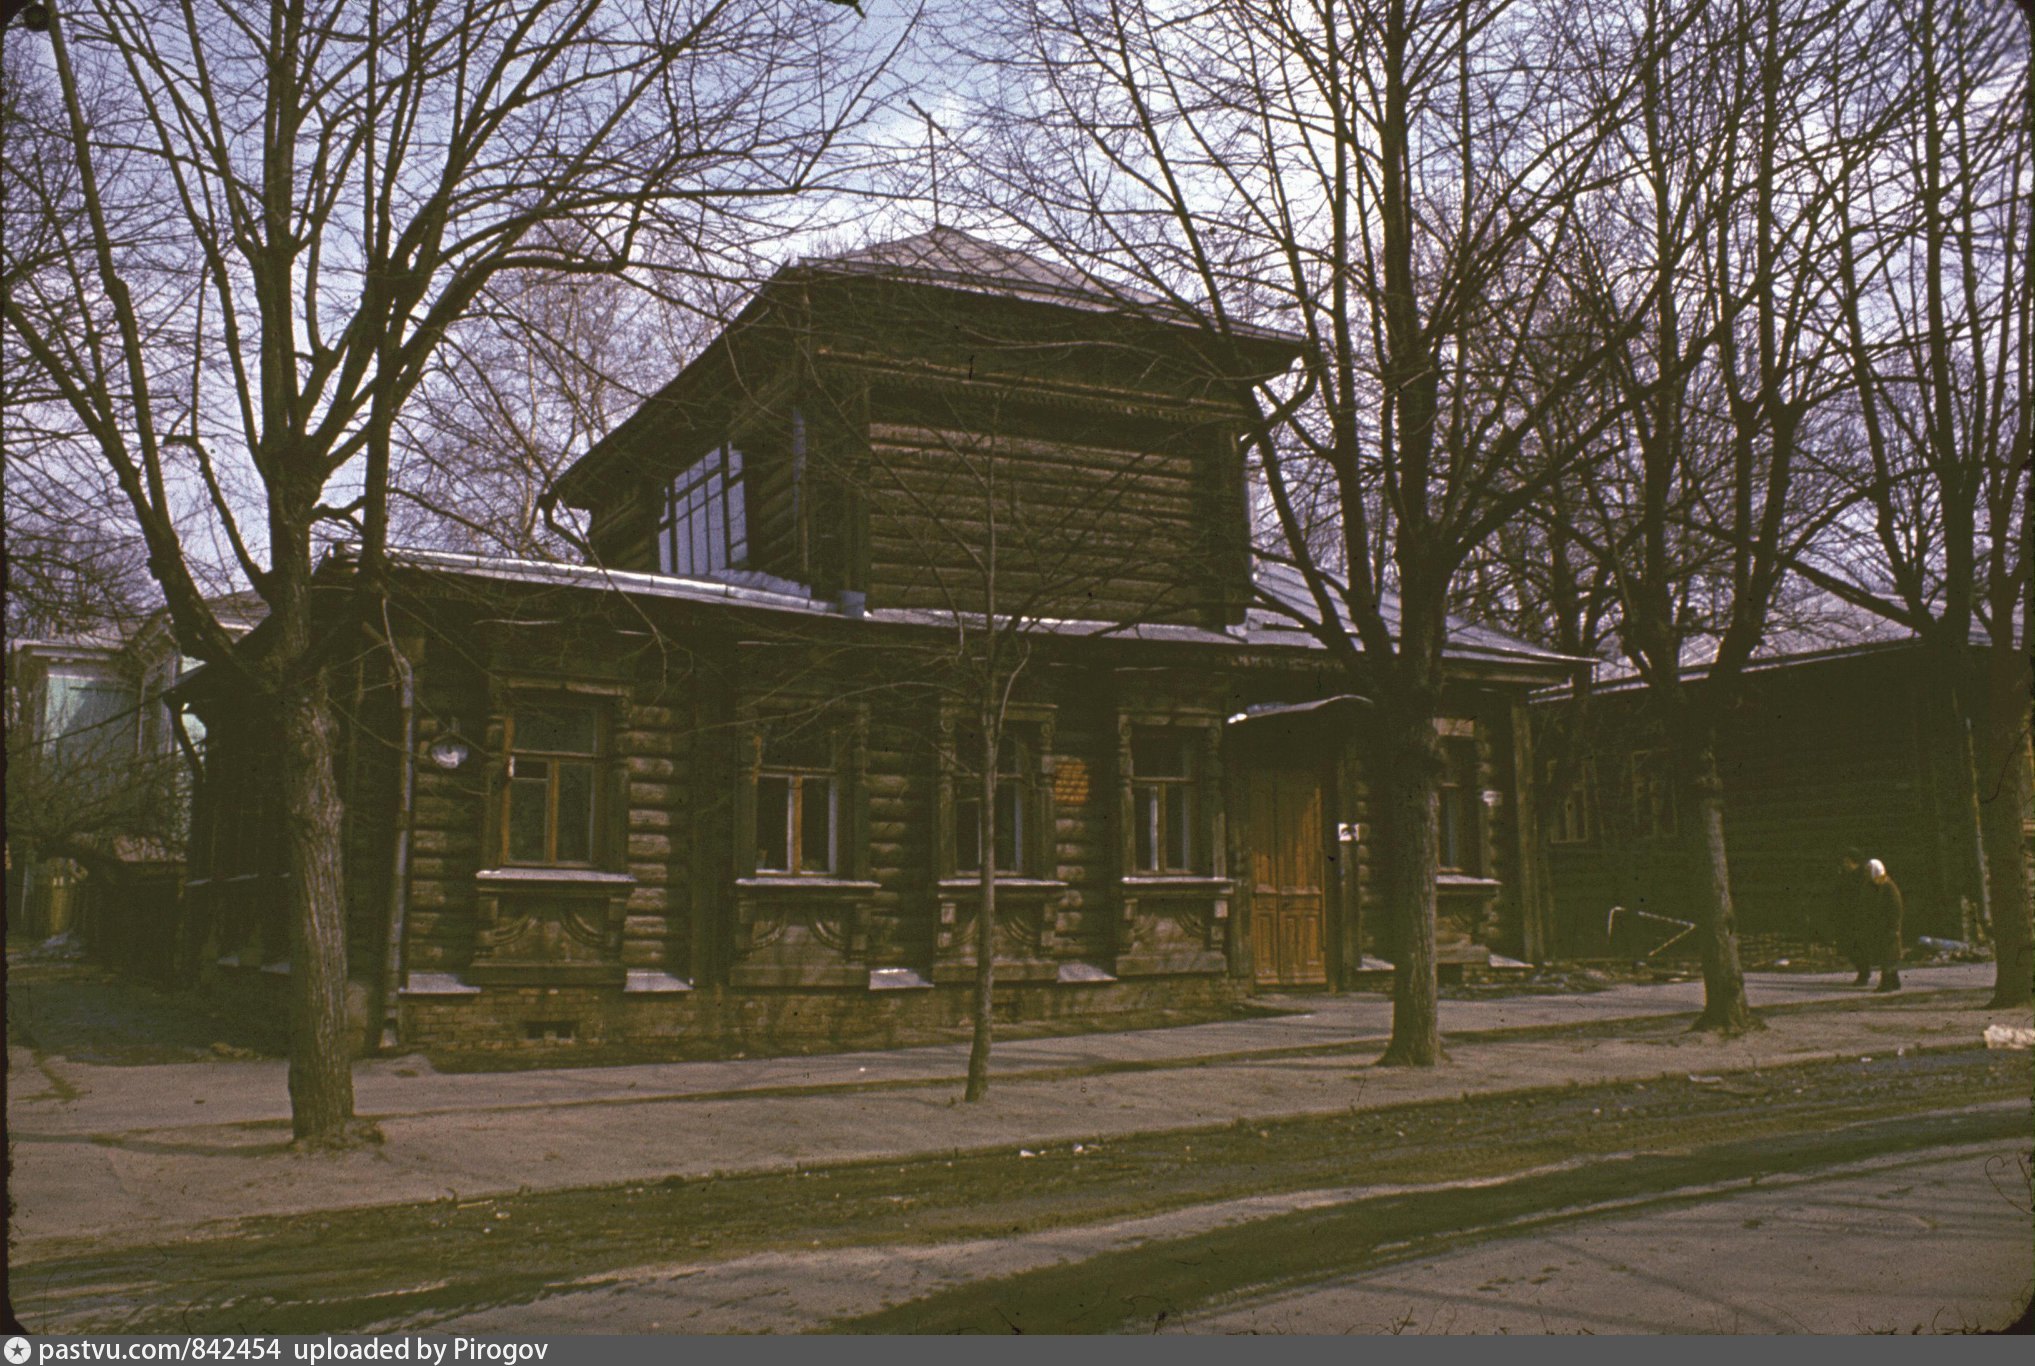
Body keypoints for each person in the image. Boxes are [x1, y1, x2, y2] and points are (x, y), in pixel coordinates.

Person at [1829, 849, 1875, 985]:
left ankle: (1864, 974)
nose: (1844, 864)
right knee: (1850, 946)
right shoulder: (1845, 875)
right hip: (1847, 917)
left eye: (1847, 861)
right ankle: (1863, 972)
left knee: (1859, 947)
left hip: (1859, 917)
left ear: (1854, 862)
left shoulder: (1862, 876)